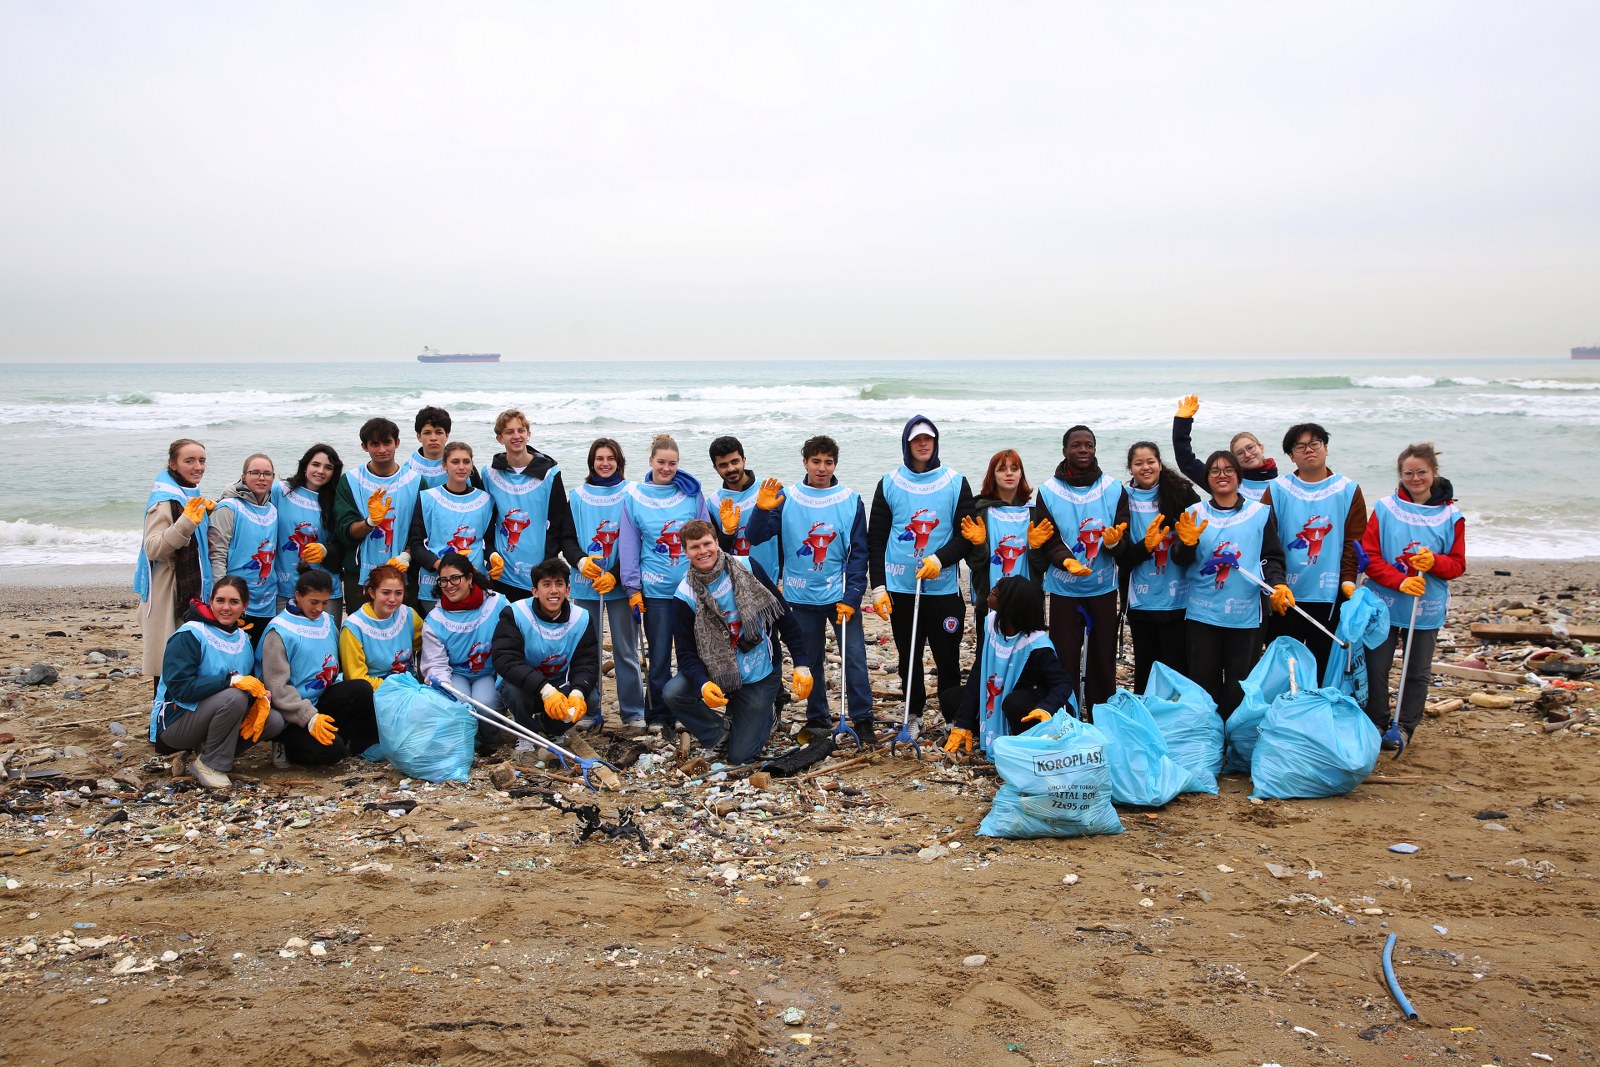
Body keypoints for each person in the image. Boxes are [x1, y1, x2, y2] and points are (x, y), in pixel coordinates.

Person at [745, 434, 873, 742]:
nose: (822, 468)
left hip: (840, 595)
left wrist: (853, 595)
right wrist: (760, 511)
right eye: (816, 461)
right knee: (810, 659)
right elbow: (755, 536)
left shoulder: (850, 499)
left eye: (828, 462)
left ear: (835, 465)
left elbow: (859, 553)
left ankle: (863, 718)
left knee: (854, 657)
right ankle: (818, 717)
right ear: (805, 463)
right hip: (800, 596)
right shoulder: (788, 498)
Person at [663, 520, 810, 763]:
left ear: (717, 543)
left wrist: (801, 665)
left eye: (707, 543)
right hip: (718, 670)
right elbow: (686, 653)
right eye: (694, 547)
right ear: (685, 552)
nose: (703, 551)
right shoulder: (684, 595)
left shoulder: (747, 567)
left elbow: (783, 615)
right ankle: (720, 731)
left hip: (759, 670)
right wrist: (702, 685)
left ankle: (769, 712)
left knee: (740, 757)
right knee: (673, 692)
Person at [867, 416, 975, 729]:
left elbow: (966, 537)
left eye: (928, 438)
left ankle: (954, 717)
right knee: (909, 656)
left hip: (943, 589)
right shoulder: (889, 482)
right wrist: (879, 587)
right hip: (901, 588)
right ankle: (913, 714)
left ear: (935, 441)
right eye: (917, 440)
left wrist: (941, 559)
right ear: (907, 444)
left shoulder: (955, 481)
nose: (923, 444)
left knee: (947, 657)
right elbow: (877, 540)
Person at [1360, 442, 1466, 750]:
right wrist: (1399, 582)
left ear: (1434, 472)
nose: (1415, 478)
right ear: (1400, 474)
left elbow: (1457, 564)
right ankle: (1378, 721)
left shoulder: (1451, 516)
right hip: (1385, 599)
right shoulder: (1385, 508)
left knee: (1417, 670)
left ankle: (1404, 726)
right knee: (1375, 665)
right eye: (1408, 472)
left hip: (1427, 603)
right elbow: (1370, 556)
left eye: (1421, 472)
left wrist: (1435, 562)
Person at [1169, 451, 1293, 717]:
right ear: (1207, 478)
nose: (1221, 475)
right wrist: (1187, 544)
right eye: (1214, 471)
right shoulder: (1194, 513)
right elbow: (1179, 559)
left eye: (1228, 470)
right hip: (1203, 612)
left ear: (1239, 475)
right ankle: (1209, 740)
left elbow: (1271, 557)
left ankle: (1235, 739)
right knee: (1204, 680)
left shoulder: (1260, 513)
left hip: (1245, 614)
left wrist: (1278, 584)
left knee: (1241, 682)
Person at [1034, 426, 1130, 715]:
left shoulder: (1113, 489)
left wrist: (1114, 545)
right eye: (1076, 445)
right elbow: (1047, 538)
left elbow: (1123, 540)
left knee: (1103, 657)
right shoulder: (1048, 491)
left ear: (1095, 449)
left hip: (1102, 587)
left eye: (1089, 445)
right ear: (1065, 451)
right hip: (1064, 587)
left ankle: (1104, 715)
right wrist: (1066, 560)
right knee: (1065, 654)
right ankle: (1067, 714)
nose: (1083, 450)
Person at [619, 433, 711, 731]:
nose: (667, 468)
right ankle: (659, 714)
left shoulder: (691, 494)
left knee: (694, 654)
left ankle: (691, 709)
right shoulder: (634, 497)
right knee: (658, 656)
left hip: (691, 591)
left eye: (672, 463)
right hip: (656, 591)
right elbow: (629, 545)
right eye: (661, 462)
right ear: (651, 462)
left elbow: (706, 539)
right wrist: (632, 588)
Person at [1266, 423, 1368, 674]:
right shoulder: (1278, 489)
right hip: (1286, 595)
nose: (1308, 450)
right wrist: (1275, 583)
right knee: (1284, 665)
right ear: (1291, 455)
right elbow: (1267, 543)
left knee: (1323, 663)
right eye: (1300, 446)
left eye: (1315, 444)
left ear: (1325, 448)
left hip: (1330, 594)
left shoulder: (1347, 489)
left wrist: (1347, 580)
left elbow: (1353, 542)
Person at [149, 576, 265, 790]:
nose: (226, 608)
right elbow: (181, 688)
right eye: (220, 600)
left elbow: (247, 682)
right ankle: (210, 764)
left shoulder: (243, 639)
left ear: (245, 606)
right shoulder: (190, 633)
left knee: (272, 718)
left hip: (213, 713)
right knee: (234, 696)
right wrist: (230, 681)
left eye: (234, 602)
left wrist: (261, 697)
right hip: (176, 720)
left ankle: (211, 751)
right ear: (210, 601)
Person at [258, 570, 379, 767]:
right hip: (291, 712)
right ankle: (285, 744)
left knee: (362, 689)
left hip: (320, 699)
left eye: (324, 603)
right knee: (332, 753)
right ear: (298, 596)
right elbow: (277, 688)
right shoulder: (279, 631)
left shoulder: (327, 621)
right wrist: (309, 718)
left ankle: (335, 736)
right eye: (314, 602)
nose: (319, 608)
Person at [944, 577, 1075, 757]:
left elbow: (1063, 684)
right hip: (997, 694)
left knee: (1014, 703)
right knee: (950, 698)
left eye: (999, 589)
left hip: (1032, 702)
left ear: (1012, 604)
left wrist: (1046, 708)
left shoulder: (1037, 645)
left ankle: (1026, 744)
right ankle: (986, 734)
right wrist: (963, 722)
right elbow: (979, 670)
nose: (994, 590)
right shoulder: (991, 624)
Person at [567, 437, 646, 732]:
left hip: (620, 583)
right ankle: (590, 708)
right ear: (592, 462)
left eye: (610, 458)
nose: (605, 463)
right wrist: (579, 561)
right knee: (589, 649)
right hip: (586, 584)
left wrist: (615, 571)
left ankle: (633, 711)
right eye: (599, 458)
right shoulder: (576, 495)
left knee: (626, 649)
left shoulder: (632, 492)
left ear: (619, 461)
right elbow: (567, 537)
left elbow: (636, 538)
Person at [1119, 441, 1200, 692]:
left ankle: (1179, 717)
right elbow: (1120, 554)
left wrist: (1187, 543)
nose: (1146, 467)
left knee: (1176, 662)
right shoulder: (1122, 497)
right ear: (1130, 468)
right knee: (1145, 663)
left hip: (1177, 596)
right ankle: (1145, 714)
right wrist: (1144, 547)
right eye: (1138, 463)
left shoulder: (1182, 492)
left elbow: (1197, 539)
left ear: (1160, 464)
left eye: (1151, 461)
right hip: (1140, 596)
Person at [136, 438, 216, 684]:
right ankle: (159, 722)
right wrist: (186, 523)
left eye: (202, 461)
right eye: (189, 461)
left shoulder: (188, 495)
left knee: (185, 663)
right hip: (168, 591)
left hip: (189, 589)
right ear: (173, 464)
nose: (198, 467)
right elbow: (153, 548)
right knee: (167, 668)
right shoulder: (164, 501)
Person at [480, 408, 581, 601]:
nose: (516, 436)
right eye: (509, 432)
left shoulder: (550, 473)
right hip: (503, 570)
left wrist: (547, 562)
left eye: (521, 430)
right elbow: (485, 521)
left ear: (528, 434)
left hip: (538, 569)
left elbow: (557, 521)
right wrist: (491, 553)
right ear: (500, 438)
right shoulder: (489, 473)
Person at [492, 558, 597, 743]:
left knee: (590, 697)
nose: (554, 590)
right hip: (526, 683)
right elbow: (505, 659)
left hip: (560, 681)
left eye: (559, 584)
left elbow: (587, 661)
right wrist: (545, 690)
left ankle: (551, 729)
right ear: (535, 591)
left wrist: (578, 691)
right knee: (514, 692)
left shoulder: (581, 617)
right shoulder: (515, 613)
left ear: (568, 590)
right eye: (546, 585)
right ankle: (525, 733)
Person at [420, 552, 509, 751]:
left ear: (469, 578)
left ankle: (490, 737)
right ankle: (465, 740)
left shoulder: (497, 603)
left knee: (484, 703)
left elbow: (512, 644)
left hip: (488, 673)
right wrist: (446, 690)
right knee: (459, 703)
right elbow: (435, 664)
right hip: (456, 673)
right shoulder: (435, 619)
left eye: (455, 578)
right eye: (443, 580)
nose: (449, 585)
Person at [962, 449, 1051, 636]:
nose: (1009, 473)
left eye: (1014, 468)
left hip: (1028, 601)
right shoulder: (979, 512)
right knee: (987, 657)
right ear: (992, 476)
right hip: (990, 600)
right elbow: (975, 563)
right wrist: (979, 545)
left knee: (1028, 657)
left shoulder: (1034, 513)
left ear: (1021, 474)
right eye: (1002, 469)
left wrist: (1034, 548)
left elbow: (1042, 565)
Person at [335, 418, 422, 606]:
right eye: (374, 444)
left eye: (387, 442)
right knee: (360, 627)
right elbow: (344, 530)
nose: (382, 449)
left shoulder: (415, 481)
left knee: (401, 628)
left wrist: (406, 556)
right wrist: (370, 522)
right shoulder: (350, 480)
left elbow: (421, 531)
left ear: (397, 443)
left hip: (403, 570)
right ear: (364, 446)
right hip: (359, 573)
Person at [407, 441, 501, 611]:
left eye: (466, 461)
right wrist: (441, 566)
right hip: (435, 585)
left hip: (475, 583)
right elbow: (416, 545)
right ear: (444, 465)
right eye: (455, 461)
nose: (461, 467)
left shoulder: (485, 501)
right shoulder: (428, 498)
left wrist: (494, 555)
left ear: (472, 465)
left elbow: (487, 542)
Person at [208, 453, 280, 643]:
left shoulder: (273, 510)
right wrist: (220, 595)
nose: (261, 478)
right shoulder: (228, 507)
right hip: (236, 600)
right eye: (255, 473)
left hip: (267, 600)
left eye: (267, 474)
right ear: (243, 476)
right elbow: (217, 554)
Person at [273, 444, 346, 622]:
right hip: (285, 587)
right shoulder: (281, 491)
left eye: (328, 467)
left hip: (325, 589)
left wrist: (325, 549)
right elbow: (253, 497)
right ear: (305, 465)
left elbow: (345, 541)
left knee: (326, 644)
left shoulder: (337, 498)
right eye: (316, 464)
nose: (321, 471)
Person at [1171, 394, 1279, 502]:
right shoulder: (1226, 482)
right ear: (1234, 460)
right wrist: (1182, 423)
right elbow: (1187, 462)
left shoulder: (1283, 484)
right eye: (1240, 453)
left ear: (1261, 448)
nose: (1247, 454)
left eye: (1250, 447)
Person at [707, 435, 782, 582]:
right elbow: (713, 551)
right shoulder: (713, 503)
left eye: (735, 461)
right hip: (734, 582)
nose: (731, 469)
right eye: (723, 465)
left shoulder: (769, 491)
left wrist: (781, 576)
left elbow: (784, 536)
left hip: (770, 579)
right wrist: (727, 533)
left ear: (744, 459)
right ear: (715, 468)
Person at [339, 564, 423, 690]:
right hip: (375, 692)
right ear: (372, 592)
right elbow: (356, 677)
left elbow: (429, 645)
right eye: (386, 592)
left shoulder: (408, 615)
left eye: (398, 593)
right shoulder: (353, 627)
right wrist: (396, 688)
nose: (392, 599)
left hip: (411, 685)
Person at [405, 405, 453, 489]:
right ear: (419, 436)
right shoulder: (408, 468)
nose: (433, 438)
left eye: (438, 432)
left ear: (447, 436)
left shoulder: (461, 465)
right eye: (427, 433)